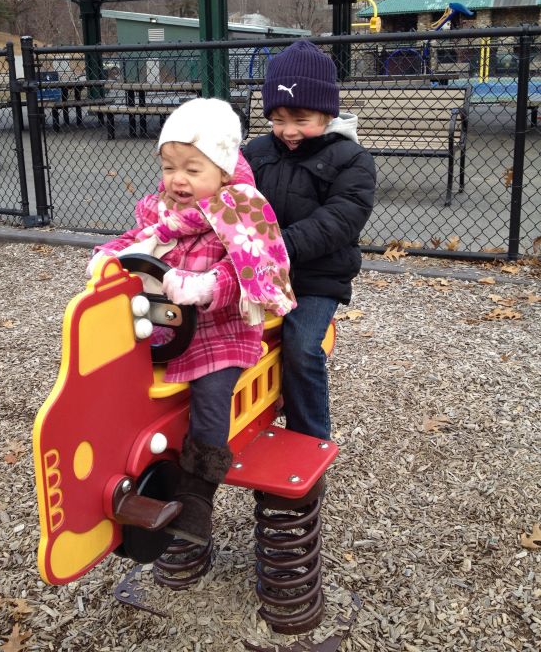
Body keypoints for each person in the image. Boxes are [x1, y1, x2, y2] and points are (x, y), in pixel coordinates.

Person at [87, 98, 295, 545]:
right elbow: (138, 239)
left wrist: (205, 286)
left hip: (221, 332)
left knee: (211, 393)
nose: (177, 179)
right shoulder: (161, 211)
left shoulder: (242, 213)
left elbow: (248, 270)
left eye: (192, 169)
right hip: (164, 329)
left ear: (223, 172)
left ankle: (198, 496)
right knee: (115, 375)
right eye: (169, 167)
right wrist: (109, 256)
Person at [244, 40, 376, 442]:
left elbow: (341, 218)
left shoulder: (352, 159)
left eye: (301, 119)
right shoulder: (256, 151)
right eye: (278, 119)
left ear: (327, 112)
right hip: (258, 272)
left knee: (300, 347)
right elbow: (230, 196)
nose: (288, 130)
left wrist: (279, 245)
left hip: (316, 278)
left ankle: (309, 437)